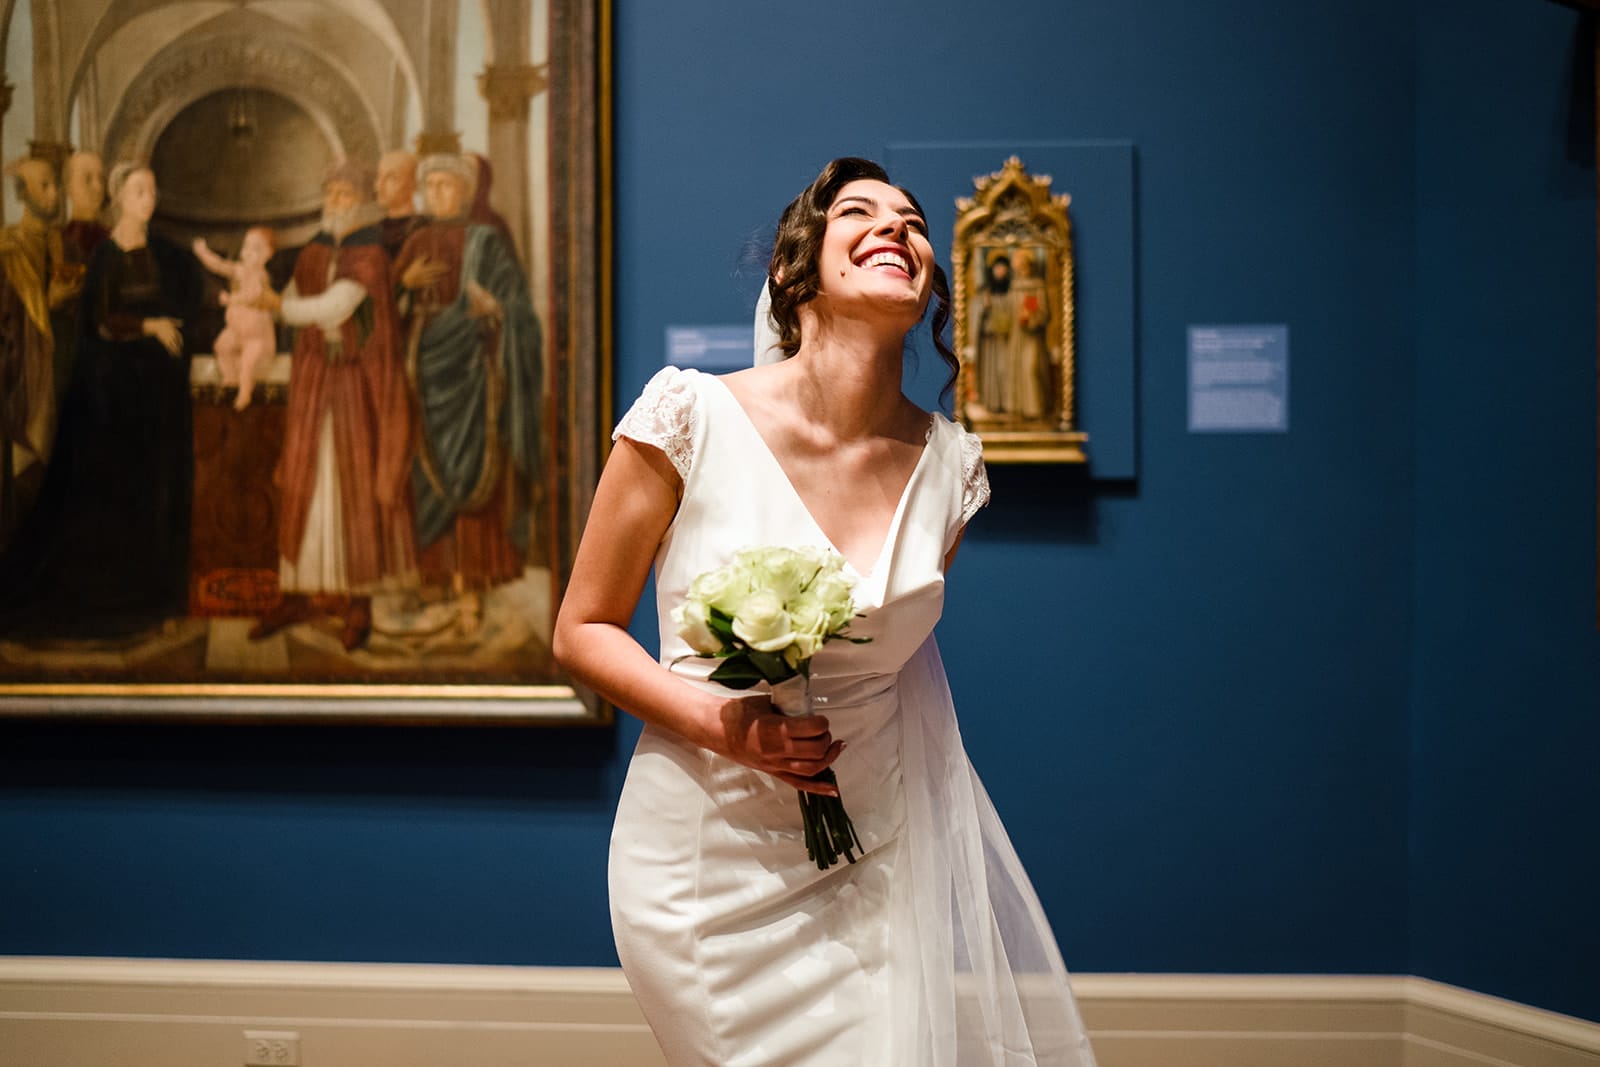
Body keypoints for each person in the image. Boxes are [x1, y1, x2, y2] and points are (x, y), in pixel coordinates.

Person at [552, 158, 1096, 1066]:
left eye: (913, 222)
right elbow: (581, 629)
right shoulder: (687, 414)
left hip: (872, 861)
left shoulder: (952, 468)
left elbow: (896, 668)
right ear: (793, 275)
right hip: (705, 868)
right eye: (861, 212)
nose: (897, 229)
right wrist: (729, 727)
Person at [0, 162, 201, 637]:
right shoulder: (106, 257)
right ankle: (118, 596)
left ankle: (158, 594)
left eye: (152, 189)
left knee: (160, 485)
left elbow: (189, 304)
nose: (149, 198)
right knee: (116, 489)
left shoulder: (167, 254)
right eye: (139, 190)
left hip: (160, 390)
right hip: (113, 393)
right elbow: (101, 321)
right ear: (120, 200)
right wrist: (148, 326)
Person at [249, 159, 415, 651]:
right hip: (314, 384)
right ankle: (297, 592)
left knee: (350, 492)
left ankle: (357, 601)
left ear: (362, 200)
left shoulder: (370, 255)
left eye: (346, 192)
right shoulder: (315, 251)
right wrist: (277, 304)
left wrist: (280, 308)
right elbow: (299, 295)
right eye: (332, 191)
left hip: (352, 391)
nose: (336, 200)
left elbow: (334, 307)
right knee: (305, 484)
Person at [393, 153, 542, 634]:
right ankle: (434, 579)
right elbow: (384, 316)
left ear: (463, 191)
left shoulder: (487, 242)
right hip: (424, 376)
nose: (438, 193)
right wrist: (402, 285)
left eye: (447, 185)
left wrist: (495, 307)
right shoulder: (415, 240)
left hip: (474, 380)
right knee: (426, 474)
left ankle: (471, 588)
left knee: (477, 474)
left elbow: (519, 308)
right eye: (430, 185)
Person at [0, 156, 79, 539]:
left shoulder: (59, 244)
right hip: (25, 382)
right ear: (22, 194)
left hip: (63, 371)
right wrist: (48, 303)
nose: (54, 193)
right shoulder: (7, 250)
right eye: (44, 185)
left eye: (55, 184)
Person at [193, 227, 277, 410]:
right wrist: (203, 253)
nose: (248, 252)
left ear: (267, 255)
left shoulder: (261, 276)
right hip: (236, 331)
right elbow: (219, 265)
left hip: (255, 337)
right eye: (246, 247)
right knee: (221, 346)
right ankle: (230, 378)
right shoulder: (239, 270)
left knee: (247, 365)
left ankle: (245, 393)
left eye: (255, 249)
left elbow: (253, 295)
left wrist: (231, 299)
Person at [374, 149, 425, 262]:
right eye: (379, 176)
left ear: (414, 183)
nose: (379, 186)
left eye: (392, 178)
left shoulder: (423, 229)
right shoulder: (375, 229)